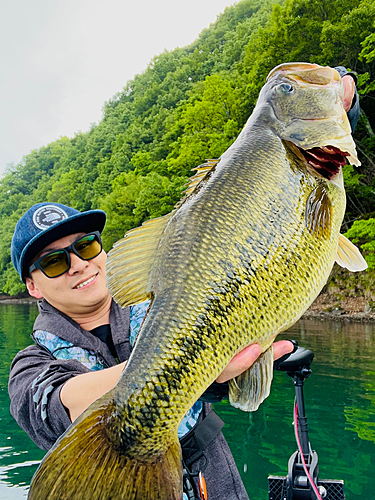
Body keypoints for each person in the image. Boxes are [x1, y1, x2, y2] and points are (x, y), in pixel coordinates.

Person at [8, 68, 359, 500]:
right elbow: (58, 405)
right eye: (56, 261)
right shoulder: (29, 365)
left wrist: (338, 113)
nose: (79, 264)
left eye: (86, 246)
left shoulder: (156, 308)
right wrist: (176, 370)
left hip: (218, 483)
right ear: (33, 287)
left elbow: (272, 177)